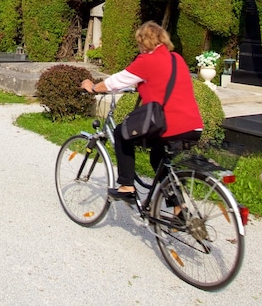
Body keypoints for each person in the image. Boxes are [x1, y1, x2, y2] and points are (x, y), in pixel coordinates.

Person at [80, 21, 204, 201]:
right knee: (158, 158)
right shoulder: (177, 58)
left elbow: (115, 82)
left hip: (169, 125)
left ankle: (126, 186)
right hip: (193, 126)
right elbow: (161, 82)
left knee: (121, 134)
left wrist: (92, 87)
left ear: (143, 42)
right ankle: (180, 209)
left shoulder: (146, 60)